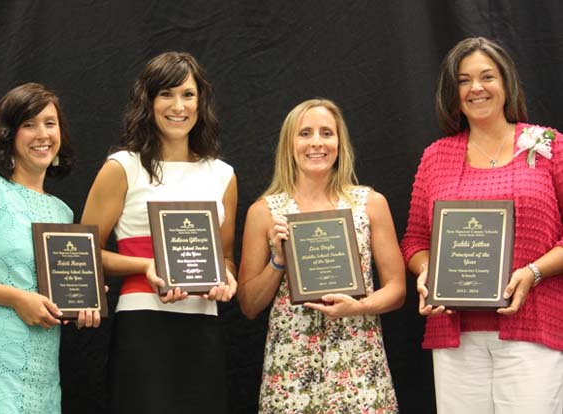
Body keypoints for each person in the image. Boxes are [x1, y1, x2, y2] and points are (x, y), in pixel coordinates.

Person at [401, 36, 563, 414]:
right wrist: (428, 274)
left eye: (487, 76)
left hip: (532, 330)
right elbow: (414, 241)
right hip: (454, 335)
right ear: (452, 92)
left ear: (506, 83)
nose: (476, 88)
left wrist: (534, 273)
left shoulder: (549, 146)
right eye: (463, 80)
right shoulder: (435, 156)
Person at [81, 52, 237, 414]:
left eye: (188, 94)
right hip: (142, 323)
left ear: (201, 102)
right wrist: (145, 266)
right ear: (148, 101)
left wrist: (226, 279)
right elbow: (81, 252)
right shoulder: (122, 167)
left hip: (203, 326)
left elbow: (227, 259)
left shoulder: (223, 175)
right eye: (166, 94)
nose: (178, 106)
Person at [238, 98, 405, 413]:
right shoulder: (265, 212)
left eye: (327, 133)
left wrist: (359, 306)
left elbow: (397, 289)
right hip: (291, 369)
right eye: (305, 133)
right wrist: (278, 262)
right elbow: (248, 305)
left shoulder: (370, 204)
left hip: (359, 361)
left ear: (340, 143)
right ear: (290, 145)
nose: (317, 142)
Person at [0, 83, 101, 414]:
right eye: (28, 124)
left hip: (41, 374)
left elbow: (52, 294)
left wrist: (84, 299)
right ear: (8, 134)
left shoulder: (62, 213)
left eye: (49, 122)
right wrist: (17, 298)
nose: (42, 134)